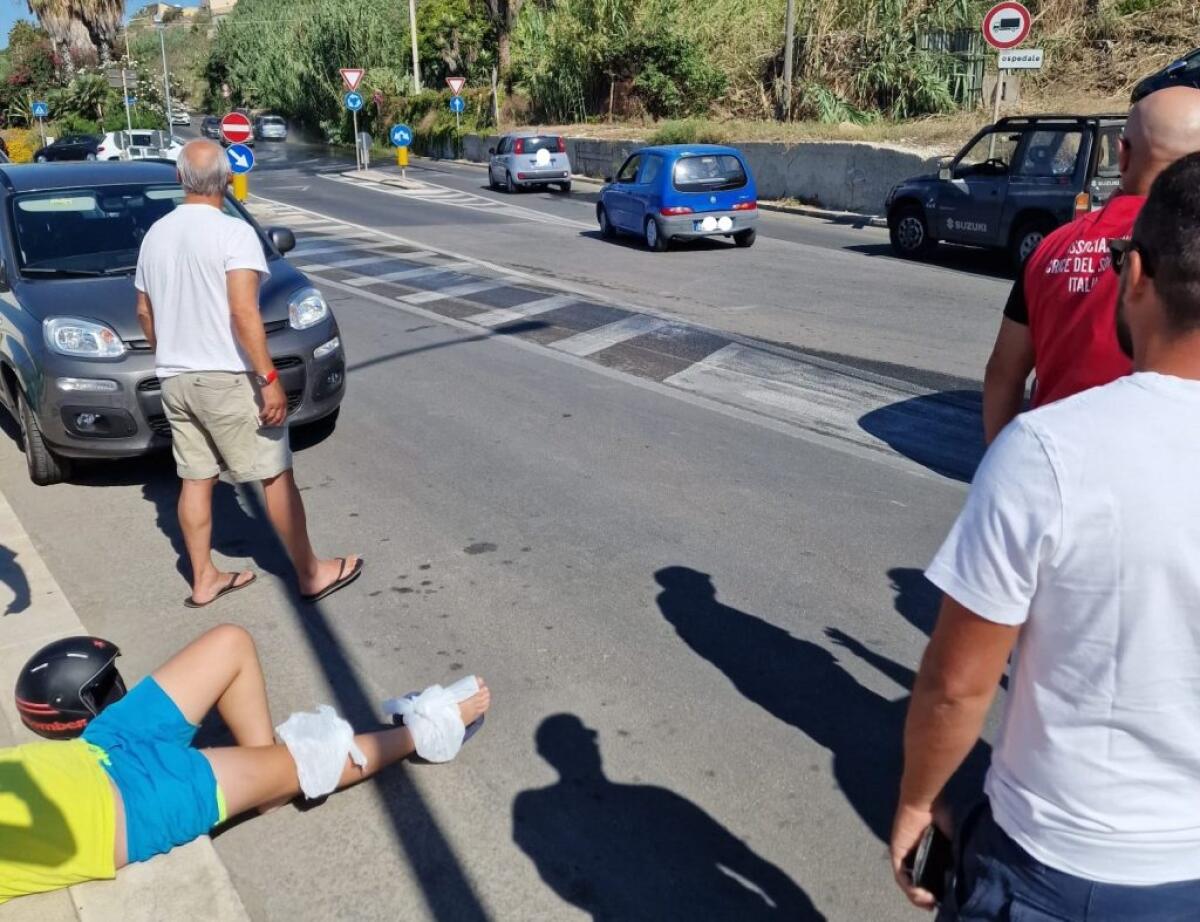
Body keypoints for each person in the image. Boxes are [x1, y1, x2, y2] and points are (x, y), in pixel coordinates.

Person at [893, 154, 1200, 919]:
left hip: (1055, 865)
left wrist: (915, 802)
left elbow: (957, 684)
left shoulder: (1045, 452)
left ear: (1134, 280)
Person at [1, 623, 491, 904]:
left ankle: (267, 781)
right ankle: (424, 731)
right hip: (136, 806)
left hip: (100, 745)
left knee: (231, 641)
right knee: (315, 759)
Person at [135, 139, 362, 606]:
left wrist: (170, 354)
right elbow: (243, 313)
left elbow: (143, 311)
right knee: (275, 475)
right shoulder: (233, 234)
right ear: (225, 180)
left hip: (175, 378)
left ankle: (203, 579)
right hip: (227, 377)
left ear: (180, 179)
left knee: (196, 479)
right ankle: (311, 572)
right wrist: (268, 378)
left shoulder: (155, 234)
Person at [981, 85, 1200, 444]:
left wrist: (1003, 462)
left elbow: (1003, 373)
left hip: (1053, 469)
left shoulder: (1050, 248)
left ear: (1122, 155)